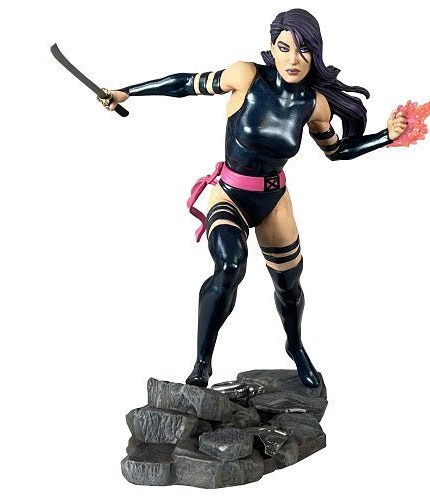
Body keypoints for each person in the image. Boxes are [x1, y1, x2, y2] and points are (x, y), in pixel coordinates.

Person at [103, 8, 408, 388]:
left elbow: (336, 151)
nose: (293, 59)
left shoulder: (314, 104)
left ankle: (295, 346)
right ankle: (202, 363)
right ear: (272, 48)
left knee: (289, 284)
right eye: (284, 47)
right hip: (230, 194)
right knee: (229, 266)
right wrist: (128, 91)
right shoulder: (245, 76)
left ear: (315, 53)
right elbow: (185, 83)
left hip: (273, 201)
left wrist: (386, 136)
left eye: (304, 50)